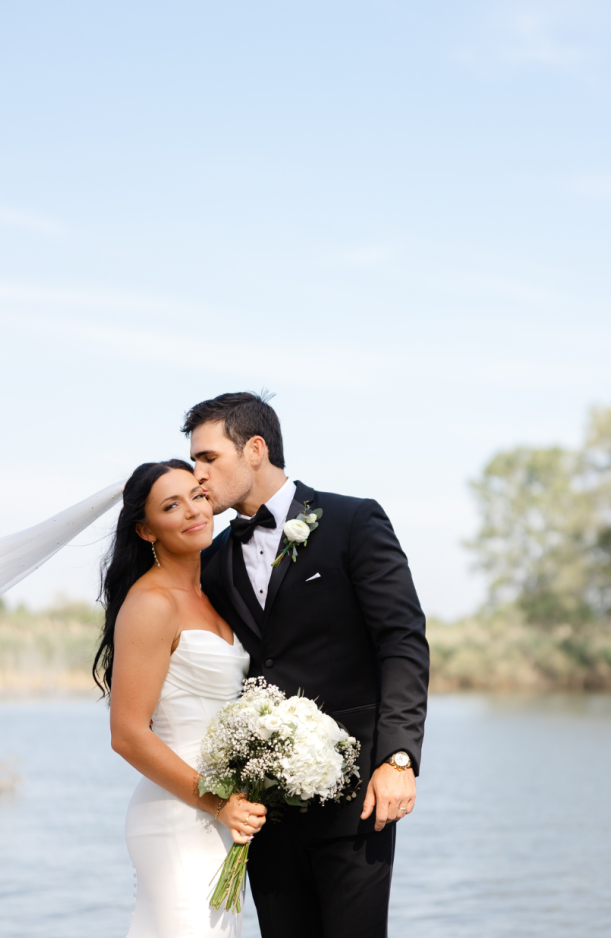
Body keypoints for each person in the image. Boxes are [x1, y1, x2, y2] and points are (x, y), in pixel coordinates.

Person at [184, 392, 430, 938]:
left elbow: (402, 640)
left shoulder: (352, 520)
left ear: (254, 449)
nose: (197, 475)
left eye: (208, 458)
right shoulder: (212, 560)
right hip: (263, 810)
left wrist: (398, 758)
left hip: (356, 797)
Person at [93, 459, 268, 937]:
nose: (193, 511)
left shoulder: (211, 594)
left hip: (221, 813)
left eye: (197, 495)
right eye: (172, 506)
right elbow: (127, 735)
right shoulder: (151, 604)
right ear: (147, 531)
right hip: (178, 814)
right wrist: (218, 803)